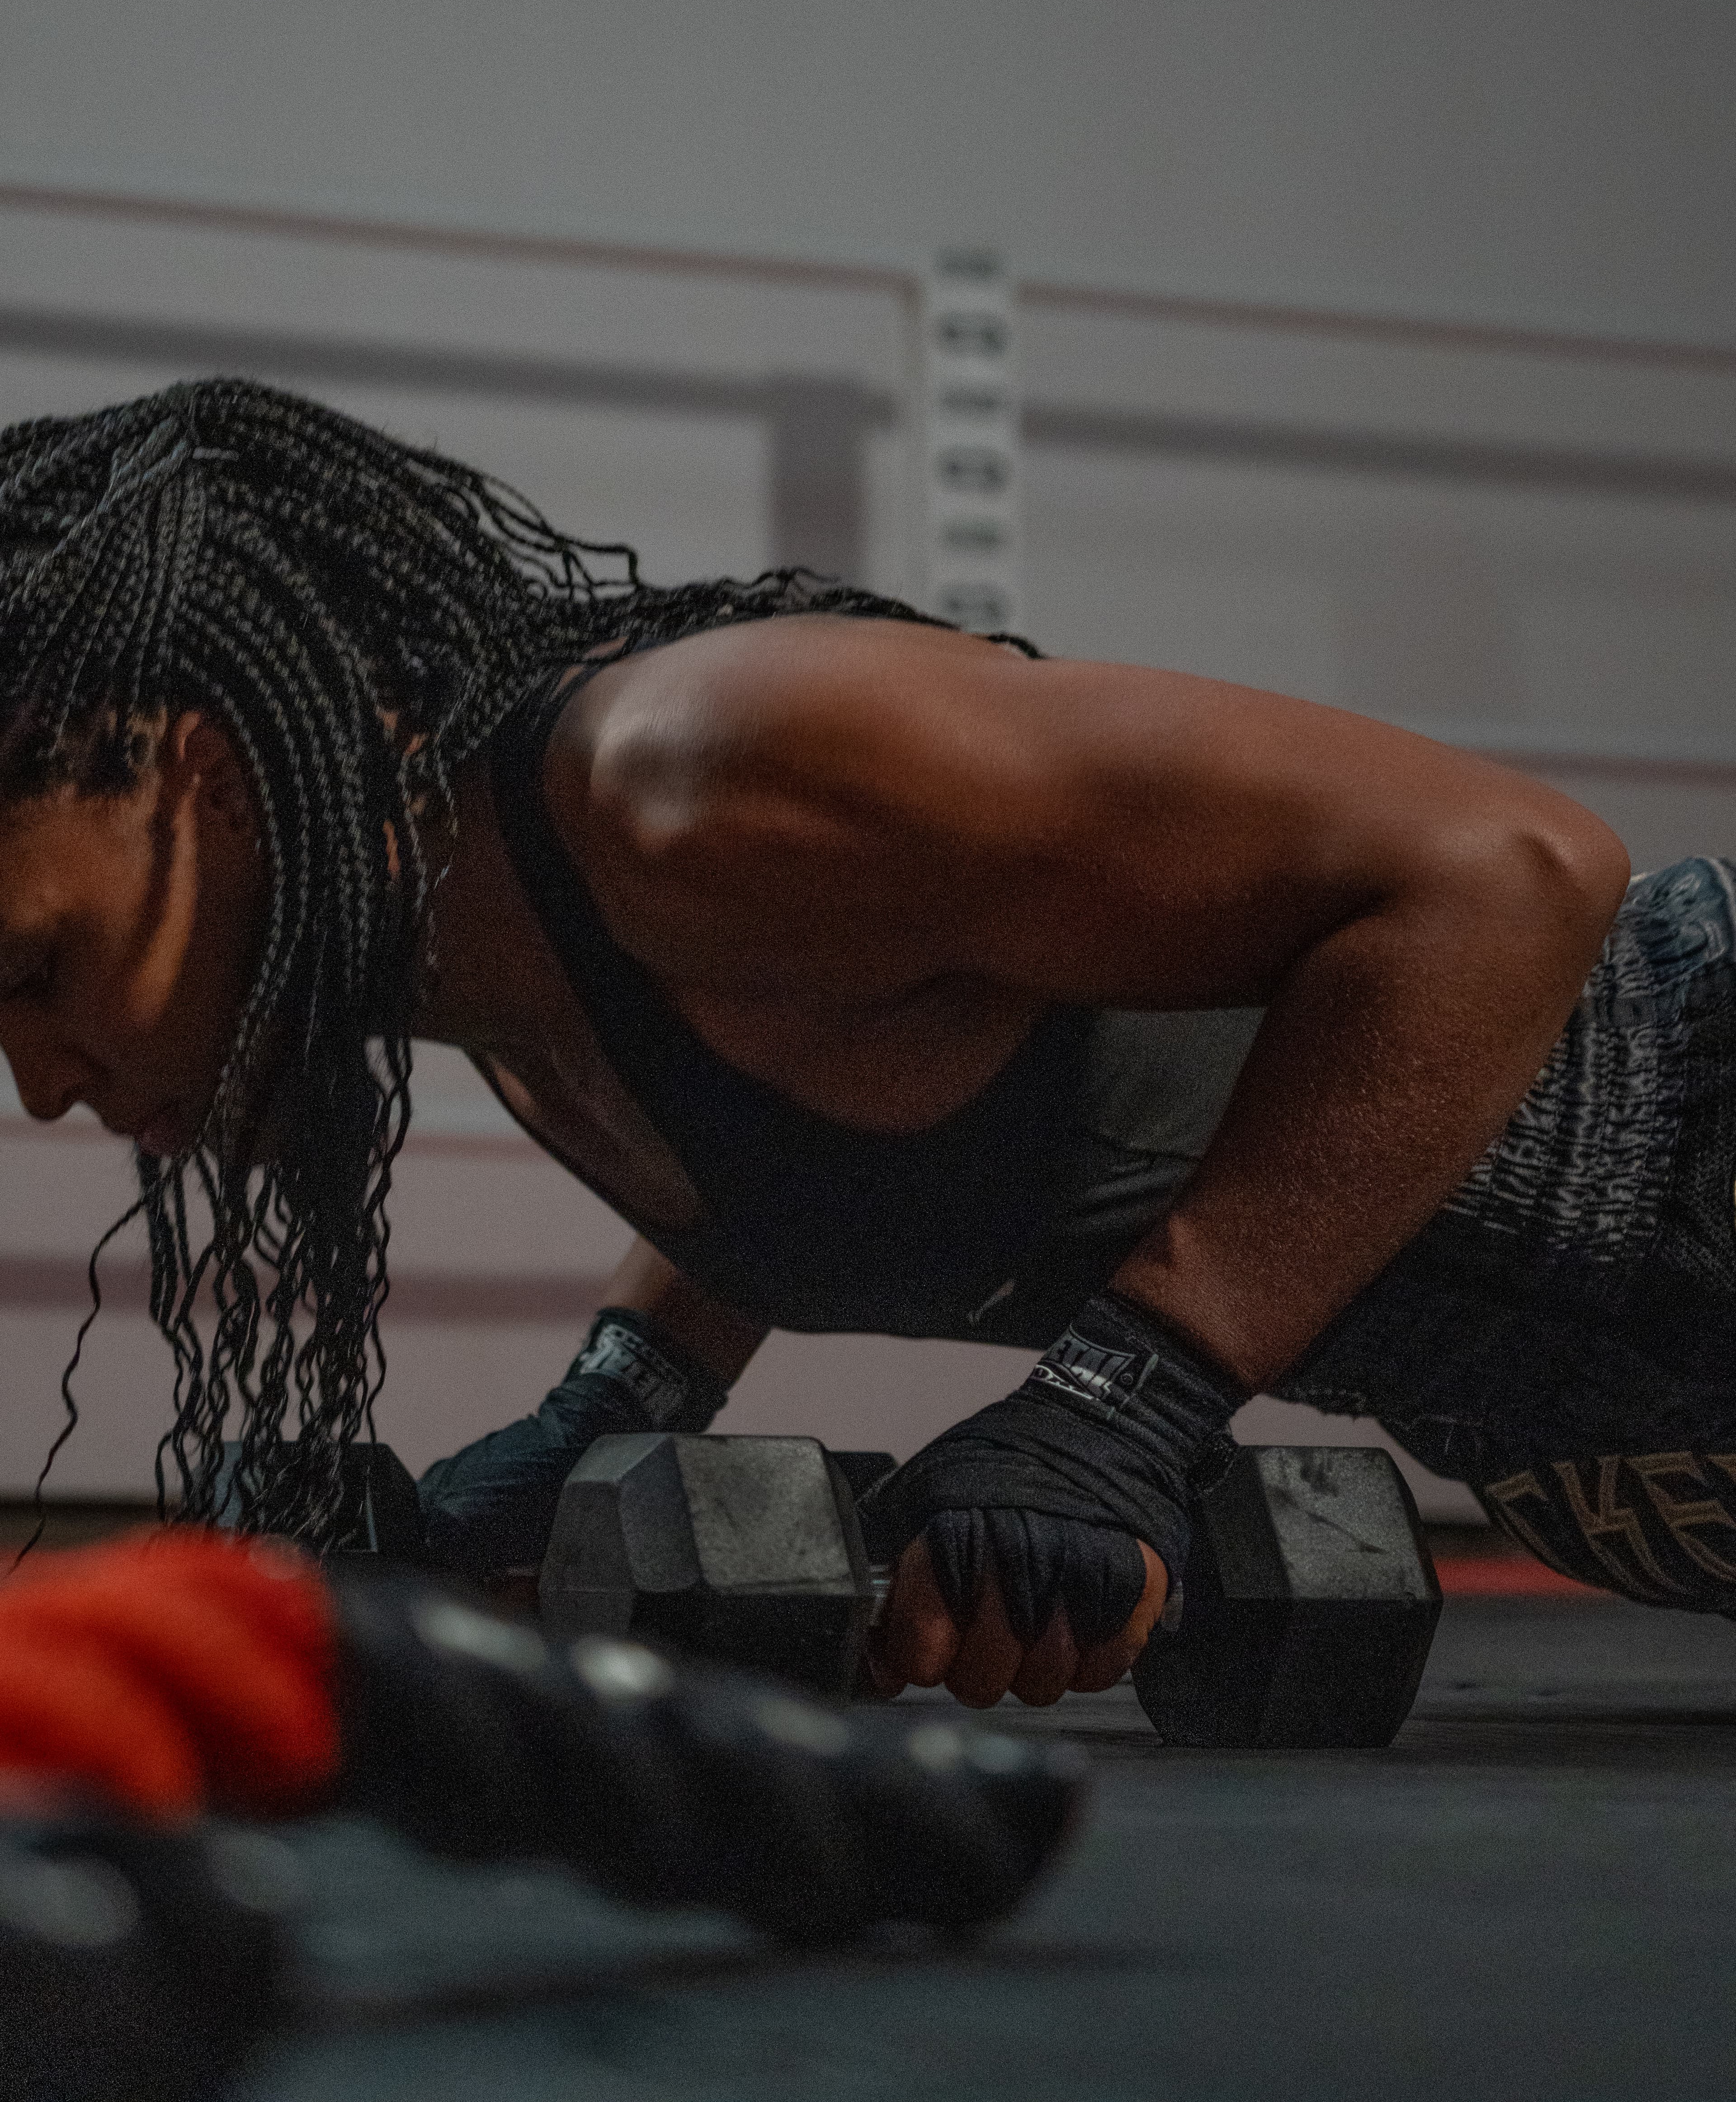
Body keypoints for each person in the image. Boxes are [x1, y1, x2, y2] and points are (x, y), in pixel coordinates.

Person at [2, 381, 1733, 1716]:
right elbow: (811, 1090)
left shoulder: (696, 773)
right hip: (1613, 1456)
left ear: (201, 773)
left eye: (38, 964)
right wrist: (614, 1409)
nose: (40, 1081)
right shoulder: (499, 966)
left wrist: (1129, 1399)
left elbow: (1509, 875)